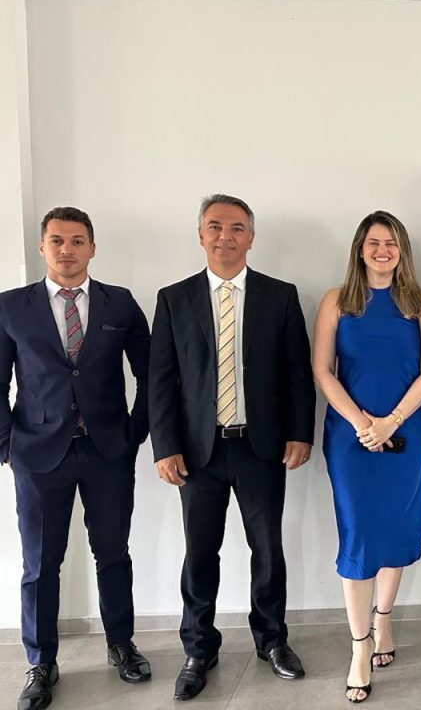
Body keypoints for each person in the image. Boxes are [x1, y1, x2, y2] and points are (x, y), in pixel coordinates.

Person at [149, 194, 316, 701]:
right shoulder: (174, 299)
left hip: (260, 447)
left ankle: (272, 640)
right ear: (201, 235)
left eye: (237, 227)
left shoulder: (279, 296)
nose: (226, 236)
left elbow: (297, 372)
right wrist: (165, 446)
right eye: (215, 226)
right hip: (197, 452)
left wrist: (300, 432)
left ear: (251, 237)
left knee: (267, 548)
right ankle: (199, 648)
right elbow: (161, 380)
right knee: (201, 553)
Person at [1, 207, 151, 710]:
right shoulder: (11, 307)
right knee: (40, 564)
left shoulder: (119, 303)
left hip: (108, 451)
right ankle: (41, 662)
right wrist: (7, 446)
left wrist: (136, 431)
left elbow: (152, 372)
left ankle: (121, 644)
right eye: (57, 240)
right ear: (42, 247)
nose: (67, 249)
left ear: (92, 247)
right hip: (38, 455)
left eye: (77, 240)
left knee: (113, 553)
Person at [311, 211, 421, 703]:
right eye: (373, 243)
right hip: (351, 438)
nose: (382, 250)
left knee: (396, 528)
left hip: (407, 434)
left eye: (390, 243)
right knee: (359, 535)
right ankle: (359, 646)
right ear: (359, 250)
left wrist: (392, 422)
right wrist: (364, 423)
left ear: (401, 250)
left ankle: (383, 620)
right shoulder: (336, 301)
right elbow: (323, 371)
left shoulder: (419, 302)